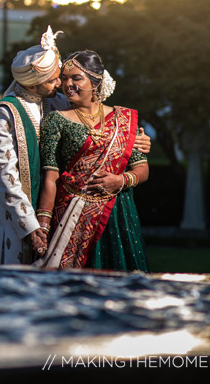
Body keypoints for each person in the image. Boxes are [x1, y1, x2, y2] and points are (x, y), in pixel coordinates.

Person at [35, 50, 150, 271]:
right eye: (65, 78)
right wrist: (43, 223)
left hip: (117, 213)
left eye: (76, 78)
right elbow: (50, 176)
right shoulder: (56, 120)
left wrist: (120, 180)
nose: (68, 84)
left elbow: (142, 168)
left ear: (96, 81)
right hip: (71, 215)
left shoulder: (122, 119)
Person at [0, 26, 62, 265]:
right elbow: (4, 176)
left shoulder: (57, 103)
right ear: (33, 84)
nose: (60, 83)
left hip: (58, 213)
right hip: (18, 222)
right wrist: (29, 227)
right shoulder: (3, 113)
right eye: (52, 80)